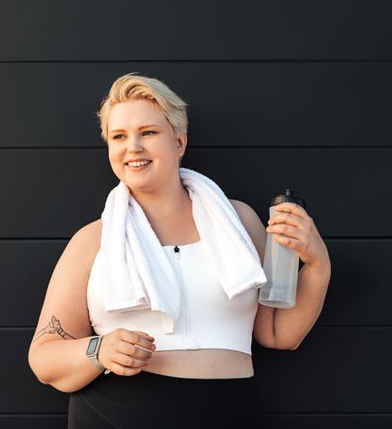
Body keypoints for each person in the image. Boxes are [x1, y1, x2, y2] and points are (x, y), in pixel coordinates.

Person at [27, 73, 331, 429]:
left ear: (179, 141)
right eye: (119, 137)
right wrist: (99, 349)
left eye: (149, 132)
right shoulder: (93, 240)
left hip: (229, 413)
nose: (133, 147)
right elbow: (44, 355)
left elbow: (279, 334)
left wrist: (317, 265)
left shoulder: (238, 221)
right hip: (117, 413)